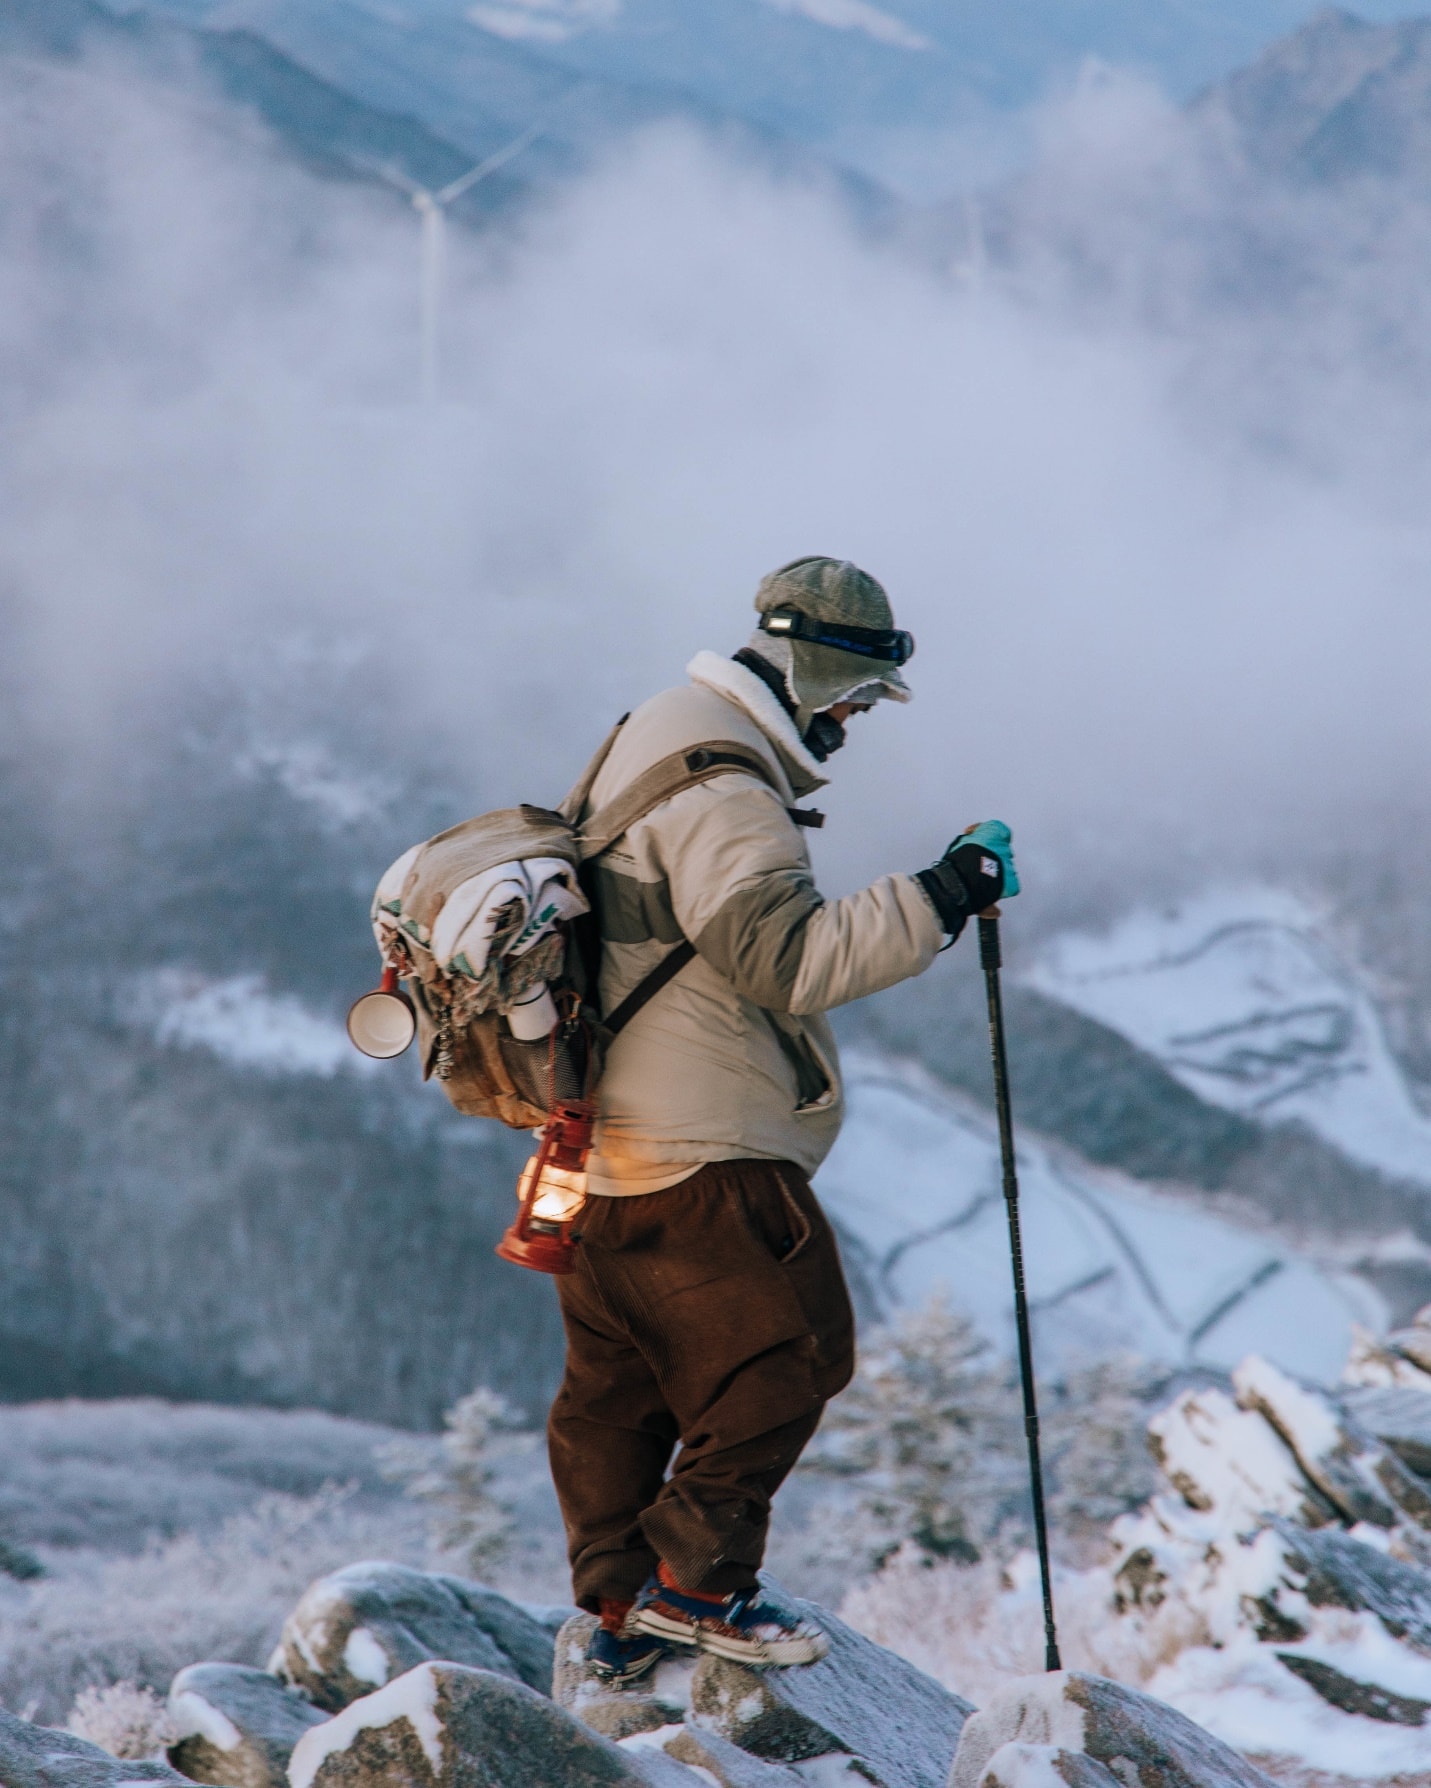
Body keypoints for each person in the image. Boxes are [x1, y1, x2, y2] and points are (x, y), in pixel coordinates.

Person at [553, 555, 1016, 1683]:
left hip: (600, 1151)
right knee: (790, 1355)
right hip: (703, 1150)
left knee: (622, 1390)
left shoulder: (650, 737)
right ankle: (699, 1590)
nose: (858, 718)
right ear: (815, 674)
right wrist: (947, 891)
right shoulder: (724, 790)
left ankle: (619, 1608)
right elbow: (783, 956)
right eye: (857, 694)